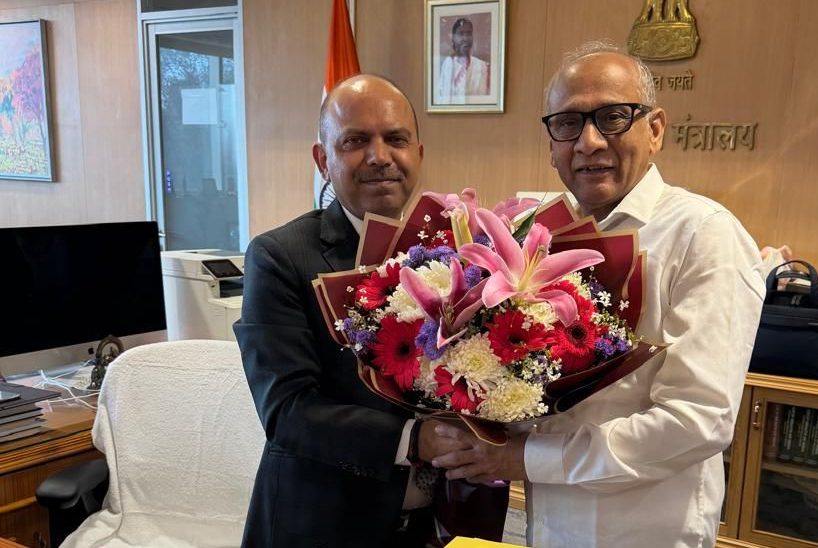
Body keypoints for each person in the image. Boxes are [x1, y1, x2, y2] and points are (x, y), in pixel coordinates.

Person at [431, 42, 766, 547]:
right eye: (568, 123)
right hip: (549, 523)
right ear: (552, 144)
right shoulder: (540, 234)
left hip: (646, 532)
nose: (588, 142)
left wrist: (526, 459)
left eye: (612, 117)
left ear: (655, 129)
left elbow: (697, 421)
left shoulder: (703, 235)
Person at [235, 74, 469, 548]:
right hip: (321, 526)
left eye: (396, 139)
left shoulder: (457, 250)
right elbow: (287, 410)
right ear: (323, 160)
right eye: (355, 141)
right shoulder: (280, 257)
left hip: (433, 527)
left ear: (418, 153)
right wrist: (415, 439)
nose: (379, 156)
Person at [436, 18, 491, 103]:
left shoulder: (483, 67)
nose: (465, 38)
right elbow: (439, 96)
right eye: (460, 34)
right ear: (453, 38)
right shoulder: (447, 64)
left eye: (469, 33)